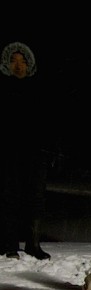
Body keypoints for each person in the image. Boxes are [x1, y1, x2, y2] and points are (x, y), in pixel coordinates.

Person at [0, 41, 54, 260]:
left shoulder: (39, 90)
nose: (18, 65)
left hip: (35, 154)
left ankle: (33, 243)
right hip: (8, 153)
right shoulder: (3, 89)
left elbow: (49, 123)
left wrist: (49, 151)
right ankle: (9, 244)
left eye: (22, 61)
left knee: (35, 198)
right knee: (9, 197)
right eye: (14, 61)